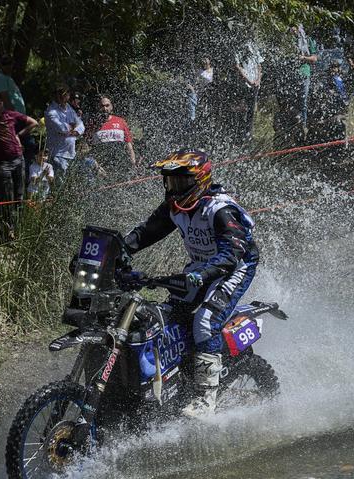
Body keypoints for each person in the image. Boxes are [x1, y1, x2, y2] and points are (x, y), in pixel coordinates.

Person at [122, 151, 260, 418]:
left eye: (181, 183)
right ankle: (181, 376)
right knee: (169, 315)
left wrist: (206, 272)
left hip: (235, 266)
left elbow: (233, 252)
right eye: (170, 182)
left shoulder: (220, 209)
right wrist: (120, 250)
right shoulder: (174, 208)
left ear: (201, 180)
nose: (174, 189)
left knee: (205, 321)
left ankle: (205, 399)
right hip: (202, 267)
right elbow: (147, 231)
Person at [45, 85, 85, 177]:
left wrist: (76, 131)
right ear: (55, 95)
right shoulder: (51, 111)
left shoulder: (69, 108)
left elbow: (81, 125)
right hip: (58, 155)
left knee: (71, 182)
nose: (63, 96)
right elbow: (62, 129)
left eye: (66, 94)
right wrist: (73, 127)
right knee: (61, 184)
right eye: (61, 94)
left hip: (71, 153)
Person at [93, 96, 138, 170]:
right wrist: (97, 167)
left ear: (111, 107)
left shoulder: (121, 121)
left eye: (107, 105)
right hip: (101, 167)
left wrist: (133, 163)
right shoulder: (93, 124)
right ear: (98, 108)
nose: (105, 109)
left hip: (121, 164)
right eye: (102, 106)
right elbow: (87, 150)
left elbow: (129, 146)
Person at [234, 37, 264, 143]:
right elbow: (238, 67)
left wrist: (258, 80)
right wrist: (248, 80)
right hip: (244, 85)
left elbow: (260, 66)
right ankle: (240, 134)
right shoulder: (238, 50)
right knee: (243, 109)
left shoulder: (254, 50)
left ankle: (249, 134)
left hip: (255, 84)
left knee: (251, 110)